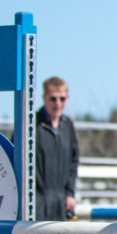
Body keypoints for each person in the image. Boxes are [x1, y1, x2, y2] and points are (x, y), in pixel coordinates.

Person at [36, 76, 79, 221]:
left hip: (61, 202)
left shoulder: (68, 126)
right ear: (44, 98)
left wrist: (70, 193)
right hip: (37, 202)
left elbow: (73, 163)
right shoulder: (31, 125)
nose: (58, 104)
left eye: (62, 99)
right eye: (53, 99)